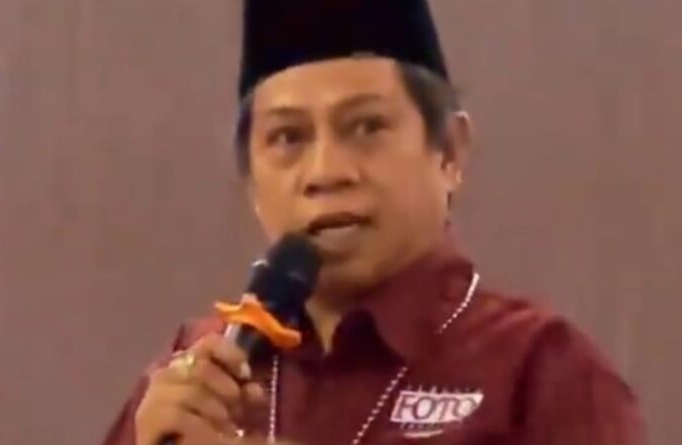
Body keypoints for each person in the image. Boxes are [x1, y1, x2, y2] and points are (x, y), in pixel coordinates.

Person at [101, 0, 646, 444]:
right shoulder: (198, 375)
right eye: (288, 137)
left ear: (449, 152)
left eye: (366, 128)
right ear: (250, 181)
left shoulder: (541, 368)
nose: (327, 172)